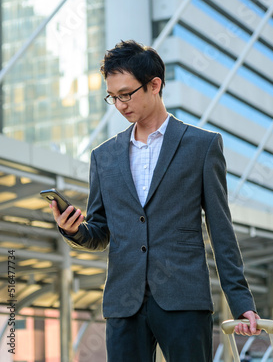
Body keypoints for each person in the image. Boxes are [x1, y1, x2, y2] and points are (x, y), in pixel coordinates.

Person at [51, 40, 260, 362]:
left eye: (126, 94)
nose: (120, 105)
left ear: (155, 85)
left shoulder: (202, 146)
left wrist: (242, 302)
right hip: (123, 302)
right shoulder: (103, 157)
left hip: (184, 300)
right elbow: (101, 232)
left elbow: (221, 228)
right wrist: (75, 230)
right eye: (113, 97)